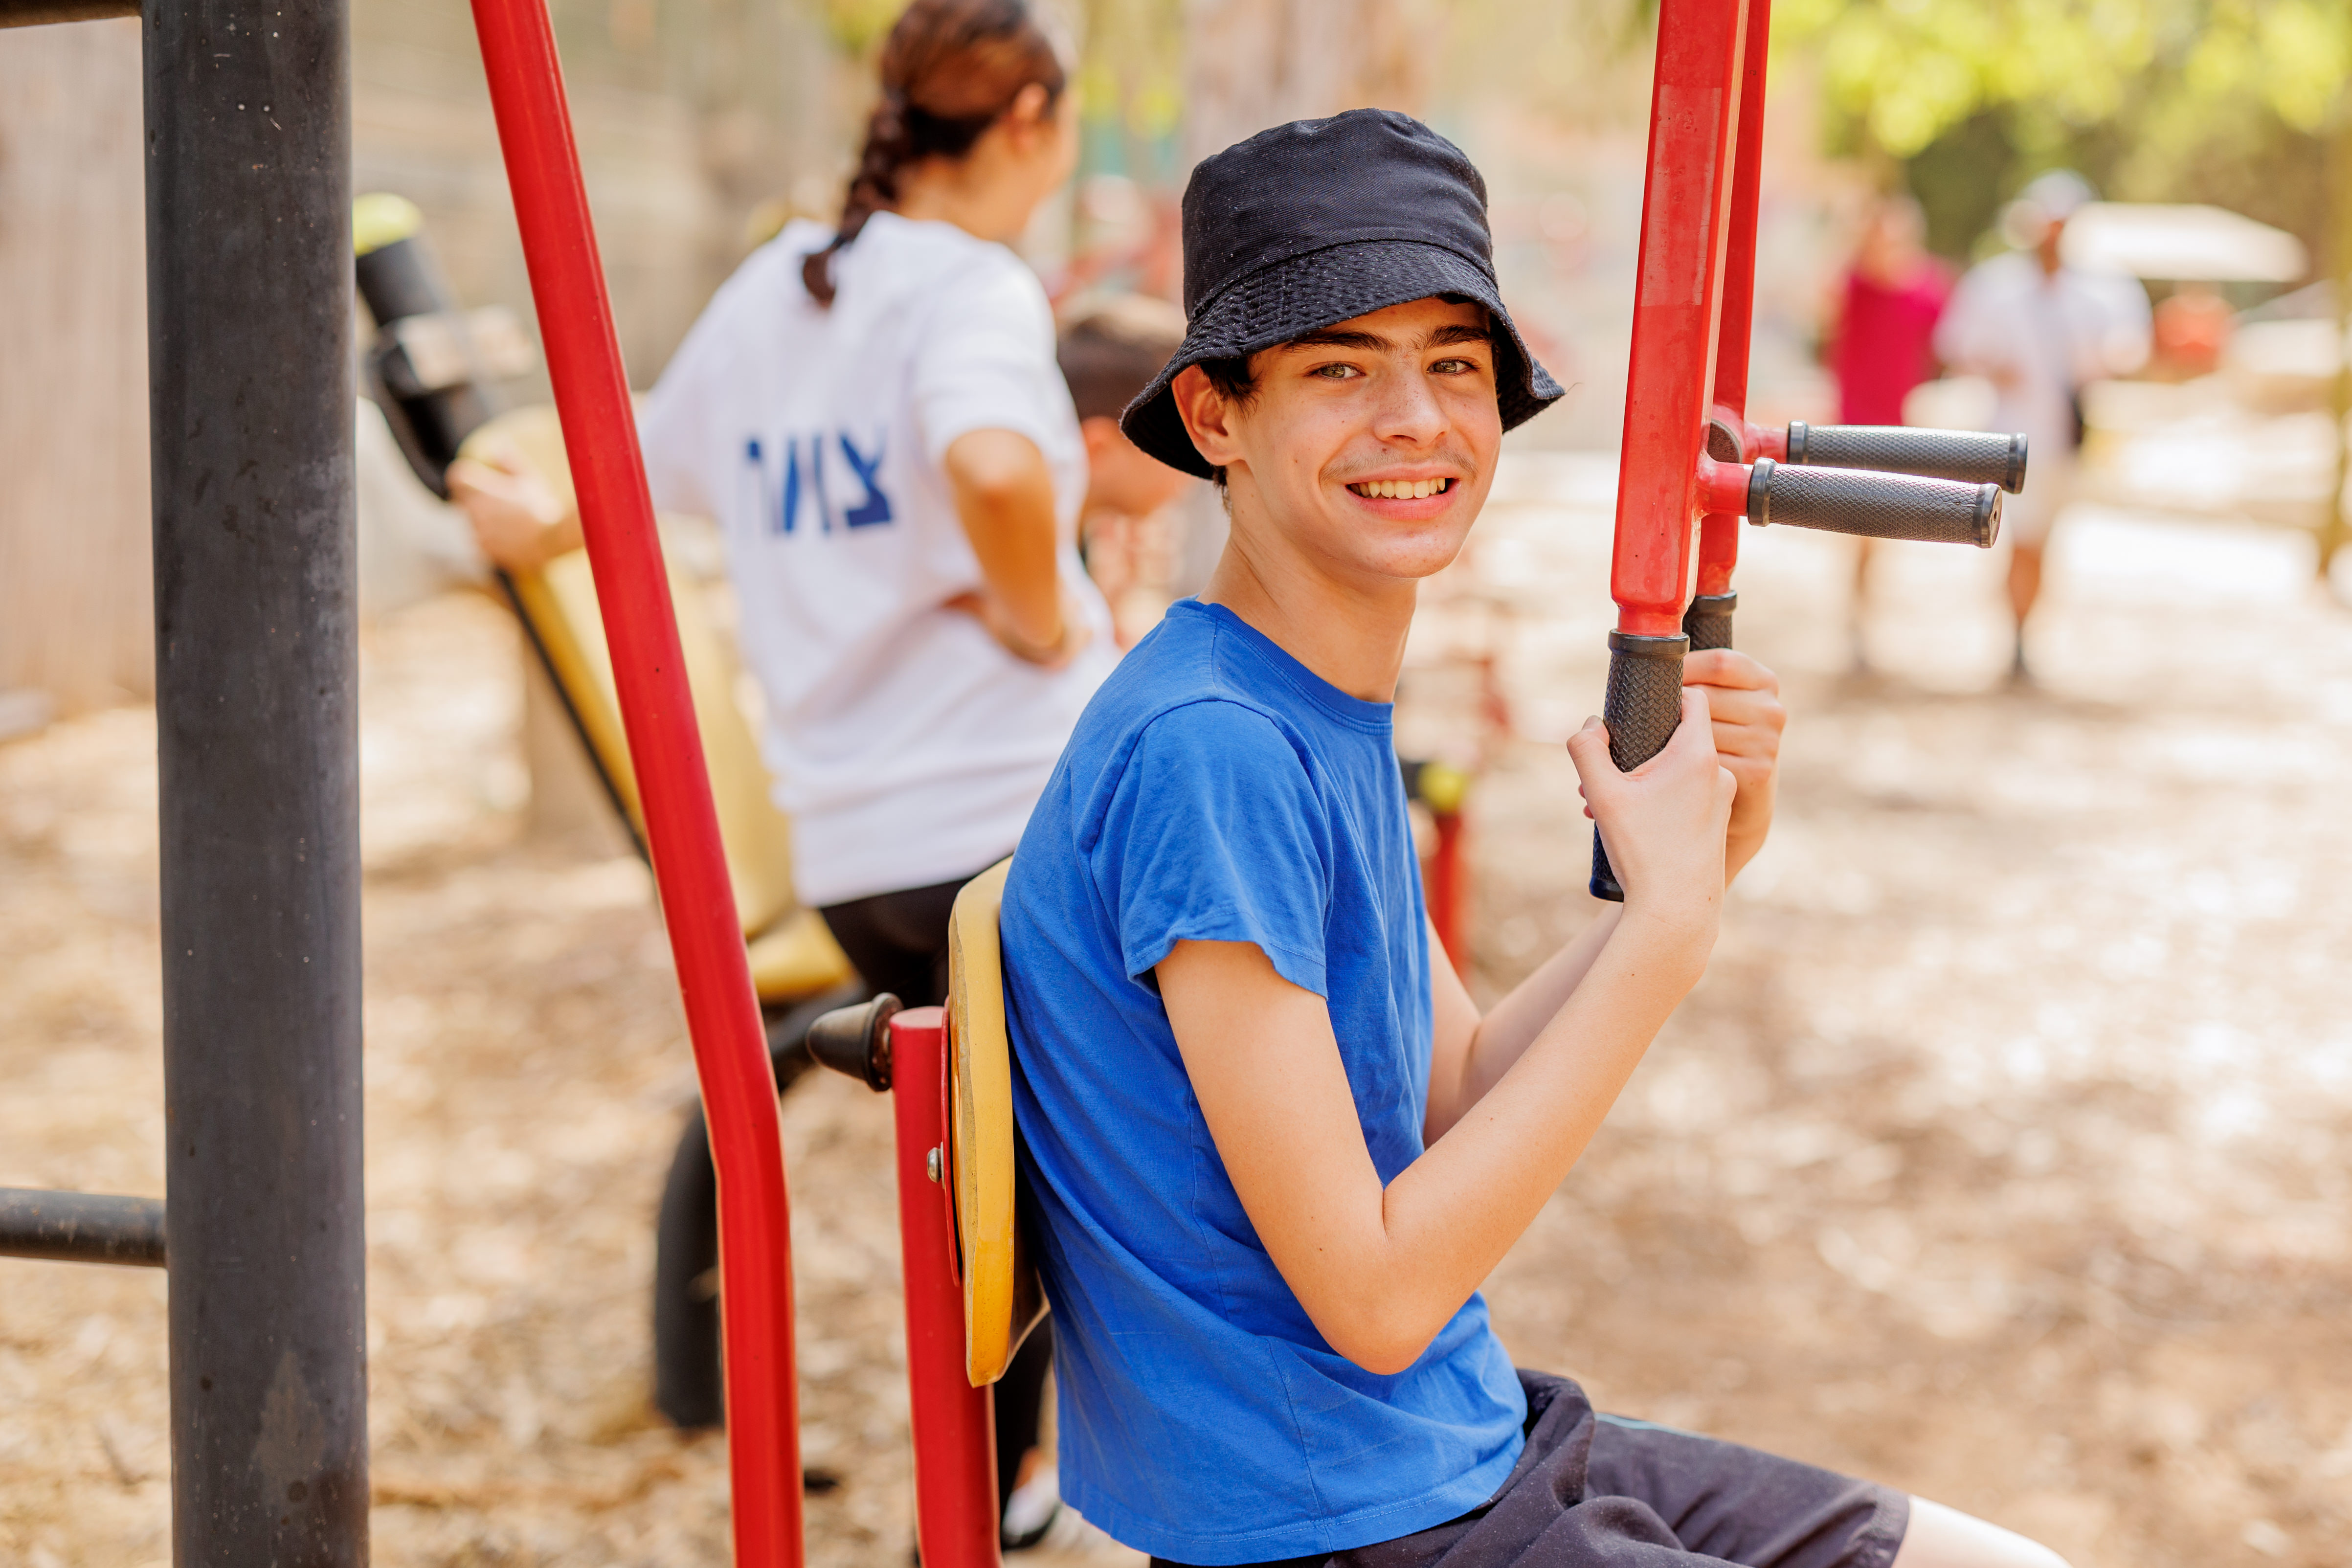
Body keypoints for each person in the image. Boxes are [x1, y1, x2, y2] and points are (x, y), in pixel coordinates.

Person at [1000, 110, 2070, 1568]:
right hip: (1339, 1526)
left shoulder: (1300, 702)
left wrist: (1687, 885)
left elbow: (1451, 1089)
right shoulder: (1213, 750)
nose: (1415, 420)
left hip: (1461, 1446)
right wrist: (1670, 940)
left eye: (1452, 364)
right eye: (1337, 368)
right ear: (1213, 417)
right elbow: (1372, 1296)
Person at [454, 0, 1105, 1544]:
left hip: (854, 844)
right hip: (1004, 815)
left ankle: (1006, 1489)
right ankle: (1036, 1489)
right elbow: (1002, 465)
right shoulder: (970, 291)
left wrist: (509, 517)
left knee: (992, 1165)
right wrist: (1039, 613)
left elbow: (607, 484)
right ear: (1025, 120)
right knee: (1108, 1144)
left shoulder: (770, 296)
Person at [1934, 171, 2150, 681]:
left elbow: (2129, 349)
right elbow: (1956, 343)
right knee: (2019, 538)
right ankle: (2016, 635)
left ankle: (2024, 633)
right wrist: (1992, 363)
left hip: (2067, 438)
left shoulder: (2102, 291)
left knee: (2044, 539)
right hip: (2009, 437)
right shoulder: (1995, 284)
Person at [1824, 195, 1950, 668]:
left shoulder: (1929, 290)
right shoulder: (1853, 284)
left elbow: (1944, 349)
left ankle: (1871, 620)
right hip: (1852, 425)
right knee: (1859, 528)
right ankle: (1857, 623)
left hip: (1900, 424)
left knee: (1884, 531)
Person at [1056, 293, 1195, 639]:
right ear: (1099, 451)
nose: (1203, 457)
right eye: (1181, 435)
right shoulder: (1025, 569)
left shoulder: (1081, 547)